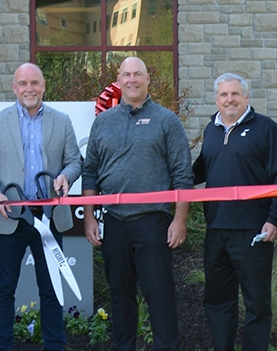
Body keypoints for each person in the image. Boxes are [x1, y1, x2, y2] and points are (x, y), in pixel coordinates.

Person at [81, 57, 192, 351]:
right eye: (126, 74)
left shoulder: (167, 121)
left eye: (138, 74)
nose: (132, 79)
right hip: (114, 222)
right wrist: (90, 217)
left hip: (152, 222)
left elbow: (182, 174)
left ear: (147, 80)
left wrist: (179, 220)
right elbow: (90, 170)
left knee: (160, 295)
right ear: (119, 79)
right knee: (120, 295)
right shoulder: (103, 122)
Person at [0, 63, 81, 351]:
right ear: (14, 88)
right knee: (5, 288)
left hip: (49, 219)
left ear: (43, 85)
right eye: (23, 83)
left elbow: (75, 160)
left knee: (51, 289)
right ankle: (3, 346)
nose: (29, 89)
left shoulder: (62, 120)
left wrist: (66, 176)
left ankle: (55, 346)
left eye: (34, 83)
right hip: (9, 218)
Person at [191, 73, 277, 351]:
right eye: (224, 95)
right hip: (217, 229)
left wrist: (274, 220)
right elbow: (199, 170)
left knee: (257, 304)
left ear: (246, 97)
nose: (229, 99)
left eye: (235, 94)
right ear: (216, 99)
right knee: (218, 301)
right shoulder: (211, 129)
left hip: (253, 231)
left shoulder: (266, 129)